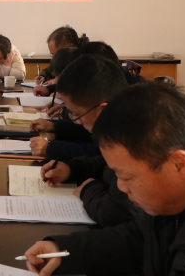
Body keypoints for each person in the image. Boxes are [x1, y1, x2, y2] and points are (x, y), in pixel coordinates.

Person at [23, 83, 185, 275]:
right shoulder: (170, 201)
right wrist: (64, 250)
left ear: (179, 164)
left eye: (127, 177)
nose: (121, 186)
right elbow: (138, 239)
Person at [38, 55, 141, 227]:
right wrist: (72, 170)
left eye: (77, 114)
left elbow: (115, 213)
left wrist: (88, 189)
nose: (77, 122)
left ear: (102, 110)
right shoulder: (119, 124)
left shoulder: (136, 138)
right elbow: (106, 165)